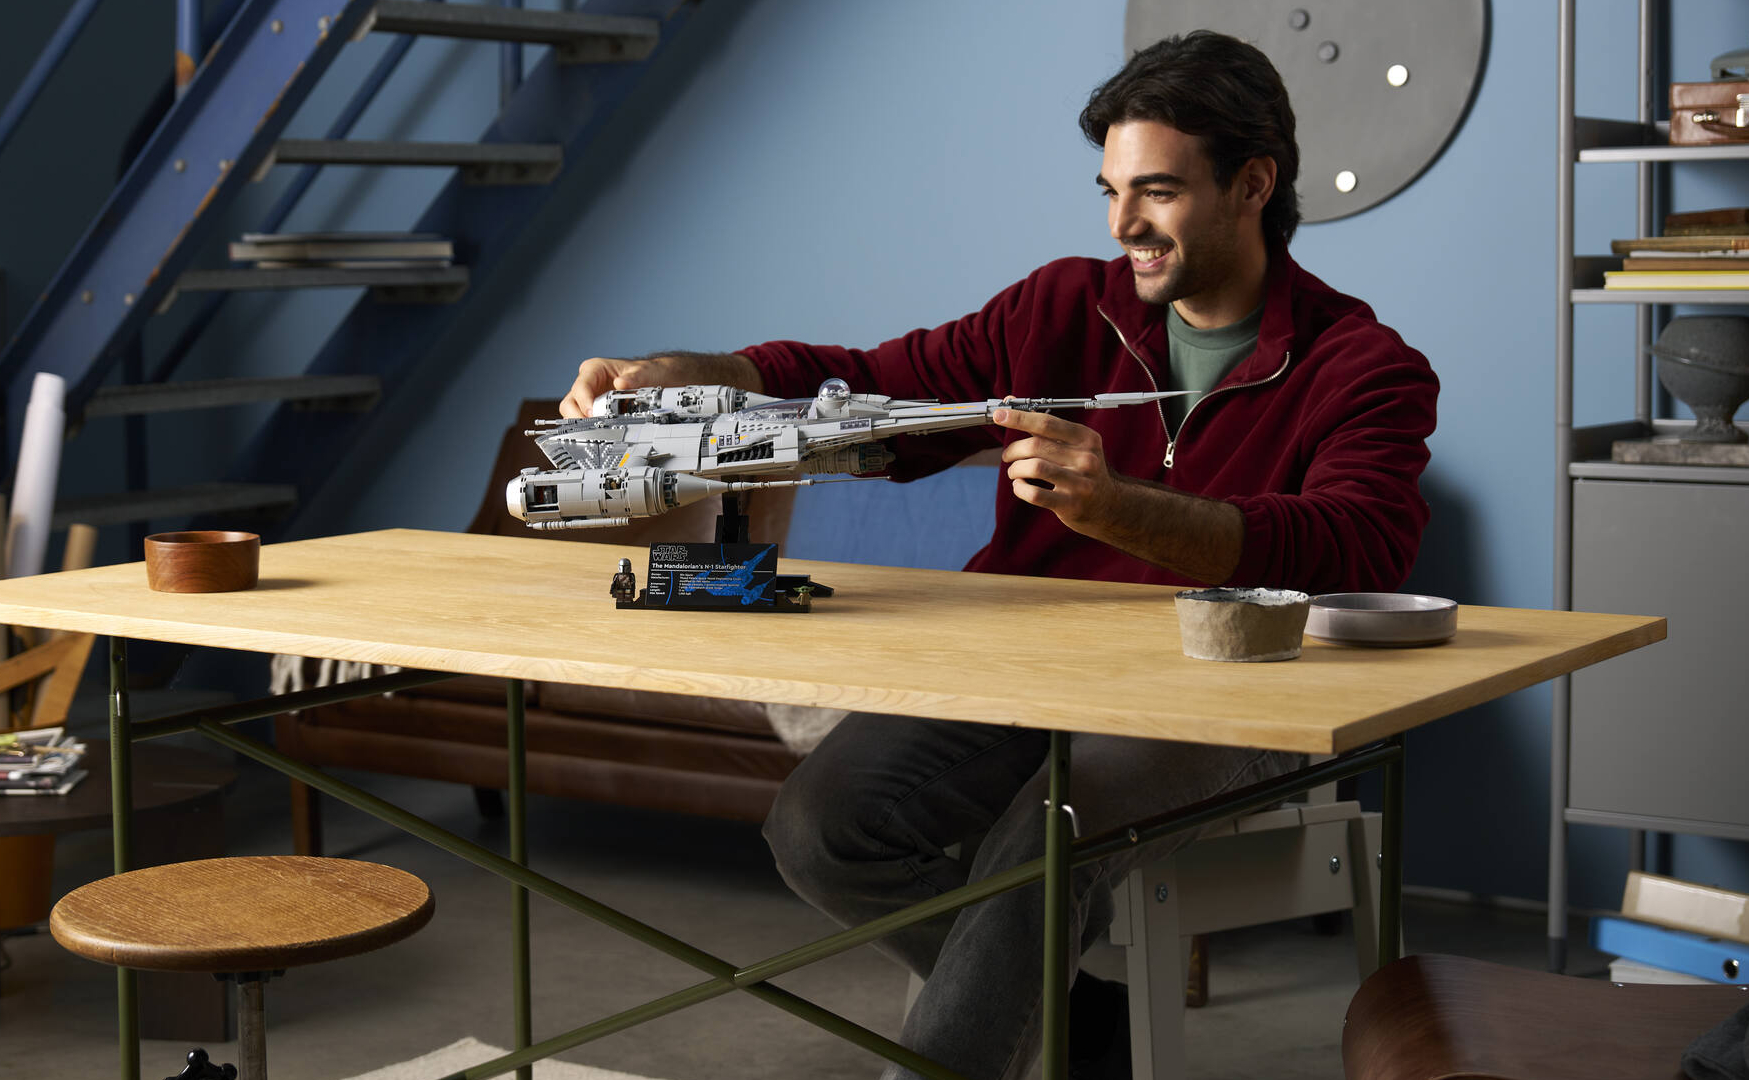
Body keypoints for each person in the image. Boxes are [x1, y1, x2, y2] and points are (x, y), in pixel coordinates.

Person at [557, 30, 1437, 1080]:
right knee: (823, 825)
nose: (1123, 226)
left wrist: (1125, 513)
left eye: (1156, 191)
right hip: (1028, 675)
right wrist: (689, 374)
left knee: (1044, 842)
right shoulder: (1064, 308)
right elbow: (872, 385)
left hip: (1225, 694)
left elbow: (1359, 543)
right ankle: (1083, 1027)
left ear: (1255, 183)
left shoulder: (1363, 366)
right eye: (1110, 190)